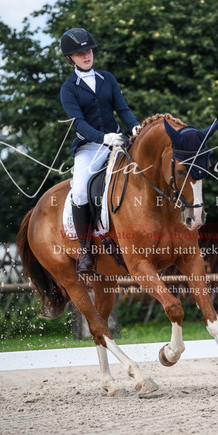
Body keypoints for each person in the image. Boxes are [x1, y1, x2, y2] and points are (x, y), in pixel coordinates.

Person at [60, 27, 140, 274]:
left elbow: (122, 109)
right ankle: (86, 251)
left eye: (89, 51)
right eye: (80, 53)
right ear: (70, 58)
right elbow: (78, 124)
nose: (86, 56)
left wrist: (135, 126)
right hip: (90, 147)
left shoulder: (108, 78)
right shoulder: (68, 88)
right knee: (80, 192)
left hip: (118, 141)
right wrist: (102, 138)